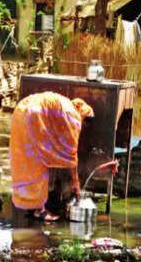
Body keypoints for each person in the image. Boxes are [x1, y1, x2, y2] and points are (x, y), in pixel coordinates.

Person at [9, 91, 94, 221]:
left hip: (20, 110)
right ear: (84, 119)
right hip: (33, 114)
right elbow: (71, 154)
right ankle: (39, 211)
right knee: (39, 162)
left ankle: (26, 202)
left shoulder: (66, 106)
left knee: (26, 158)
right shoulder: (74, 117)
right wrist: (75, 182)